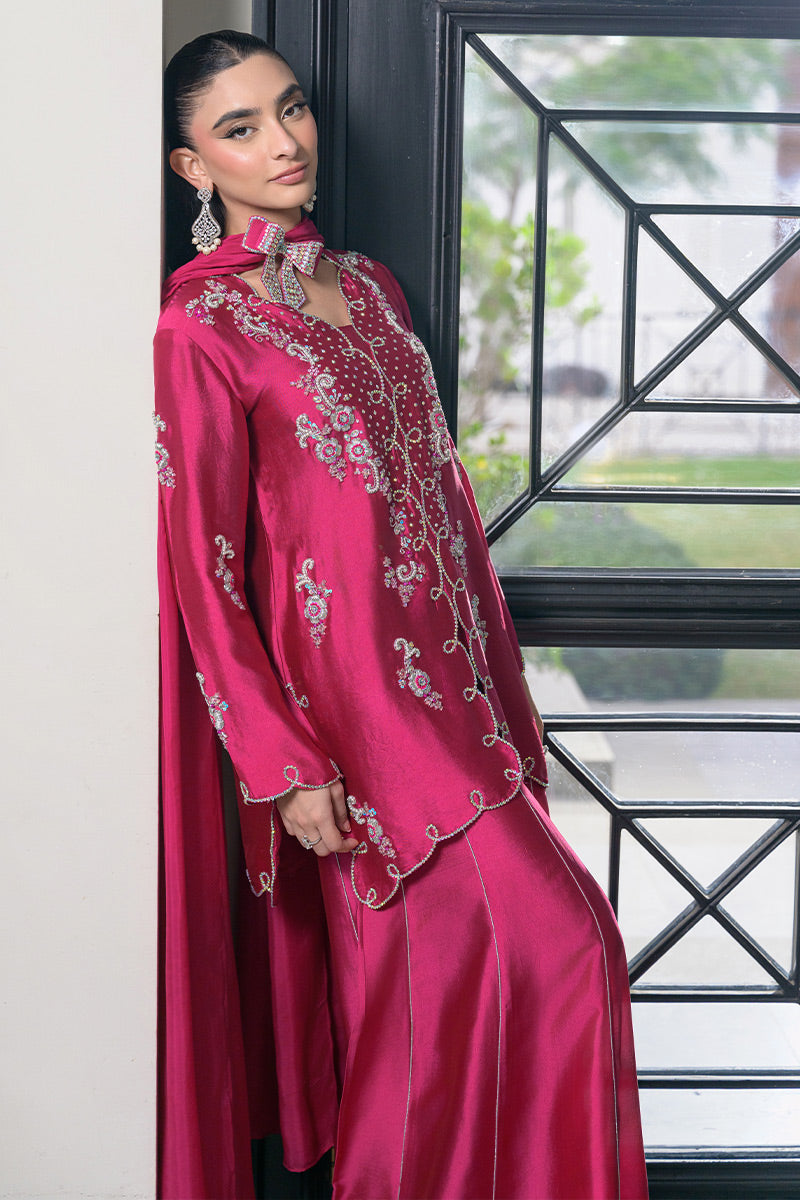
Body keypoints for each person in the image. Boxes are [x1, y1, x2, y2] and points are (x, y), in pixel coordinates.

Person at [155, 29, 649, 1200]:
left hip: (456, 694)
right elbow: (203, 567)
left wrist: (497, 688)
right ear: (194, 168)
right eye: (240, 129)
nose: (284, 142)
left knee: (463, 996)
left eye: (290, 108)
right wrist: (280, 763)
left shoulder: (369, 287)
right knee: (518, 964)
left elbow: (443, 498)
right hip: (353, 720)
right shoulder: (200, 330)